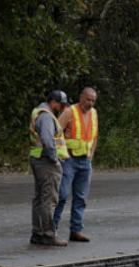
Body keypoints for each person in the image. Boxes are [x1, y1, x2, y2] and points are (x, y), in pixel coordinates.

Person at [54, 87, 99, 242]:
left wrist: (91, 154)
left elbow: (94, 136)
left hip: (85, 161)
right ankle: (51, 229)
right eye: (88, 100)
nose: (90, 103)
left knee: (81, 197)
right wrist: (60, 155)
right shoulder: (70, 112)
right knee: (62, 195)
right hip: (69, 160)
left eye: (93, 100)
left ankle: (76, 230)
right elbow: (56, 132)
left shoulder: (94, 113)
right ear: (81, 98)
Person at [29, 90, 69, 247]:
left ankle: (38, 233)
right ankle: (47, 234)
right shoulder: (46, 116)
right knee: (48, 199)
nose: (62, 108)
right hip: (47, 162)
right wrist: (54, 160)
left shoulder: (39, 112)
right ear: (53, 102)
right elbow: (47, 139)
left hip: (39, 159)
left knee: (40, 198)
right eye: (60, 104)